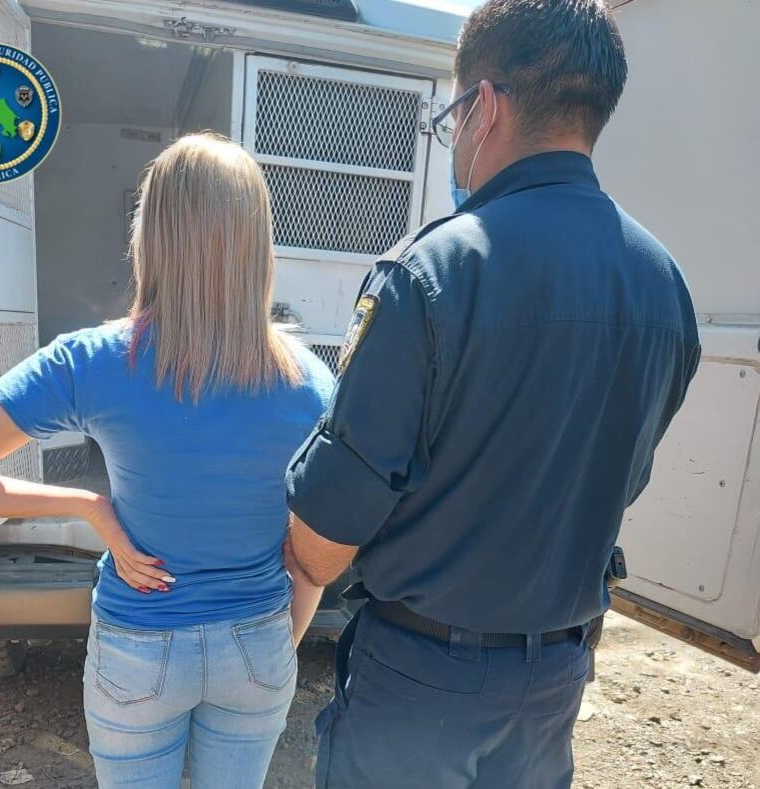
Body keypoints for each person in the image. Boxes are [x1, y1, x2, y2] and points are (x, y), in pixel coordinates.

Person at [283, 1, 701, 787]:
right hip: (556, 677)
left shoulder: (432, 273)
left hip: (418, 674)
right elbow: (622, 476)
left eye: (451, 115)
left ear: (486, 105)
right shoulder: (663, 283)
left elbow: (326, 530)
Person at [0, 134, 332, 789]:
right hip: (258, 637)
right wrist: (274, 644)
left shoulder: (93, 361)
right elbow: (314, 550)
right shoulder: (311, 382)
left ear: (149, 236)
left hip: (141, 646)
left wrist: (86, 505)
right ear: (257, 244)